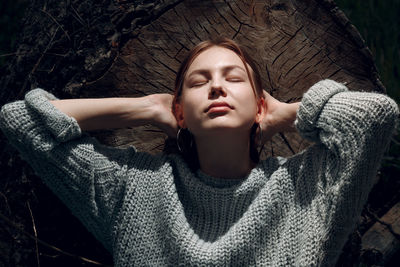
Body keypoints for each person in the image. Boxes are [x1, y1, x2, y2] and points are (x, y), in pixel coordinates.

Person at [0, 38, 398, 266]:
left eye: (234, 77)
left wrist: (283, 113)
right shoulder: (135, 191)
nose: (216, 87)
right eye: (198, 81)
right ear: (180, 111)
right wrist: (148, 108)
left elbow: (376, 116)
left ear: (259, 104)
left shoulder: (305, 191)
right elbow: (20, 120)